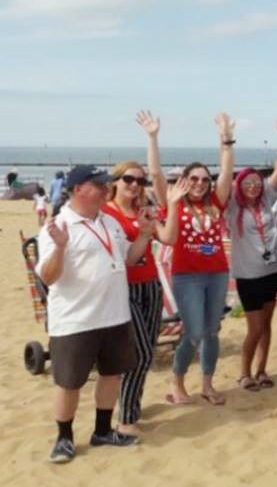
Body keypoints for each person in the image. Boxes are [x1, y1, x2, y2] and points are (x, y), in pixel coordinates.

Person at [37, 164, 155, 463]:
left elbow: (129, 257)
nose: (106, 189)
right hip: (76, 320)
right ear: (79, 189)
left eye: (106, 184)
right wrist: (60, 249)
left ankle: (102, 431)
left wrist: (143, 234)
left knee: (112, 375)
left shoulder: (109, 223)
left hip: (114, 315)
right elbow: (49, 277)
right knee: (70, 382)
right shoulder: (59, 226)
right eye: (100, 185)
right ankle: (64, 437)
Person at [158, 112, 236, 406]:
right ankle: (177, 383)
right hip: (187, 276)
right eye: (194, 178)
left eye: (205, 179)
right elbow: (154, 173)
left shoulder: (215, 203)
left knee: (212, 332)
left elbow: (226, 173)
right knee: (193, 332)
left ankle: (207, 384)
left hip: (217, 273)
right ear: (184, 181)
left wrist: (225, 142)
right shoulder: (174, 204)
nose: (201, 183)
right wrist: (153, 138)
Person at [99, 110, 167, 435]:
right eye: (128, 179)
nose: (135, 185)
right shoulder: (105, 213)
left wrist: (161, 217)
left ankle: (132, 405)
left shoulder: (144, 210)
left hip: (150, 286)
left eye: (139, 181)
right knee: (137, 353)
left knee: (147, 351)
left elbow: (166, 239)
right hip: (121, 290)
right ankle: (125, 420)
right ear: (115, 182)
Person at [226, 121, 277, 391]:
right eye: (247, 183)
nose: (253, 187)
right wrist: (227, 142)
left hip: (272, 270)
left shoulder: (265, 199)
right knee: (254, 328)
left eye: (256, 183)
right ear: (239, 186)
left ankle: (262, 370)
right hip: (248, 275)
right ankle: (244, 372)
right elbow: (225, 173)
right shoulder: (231, 205)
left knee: (266, 324)